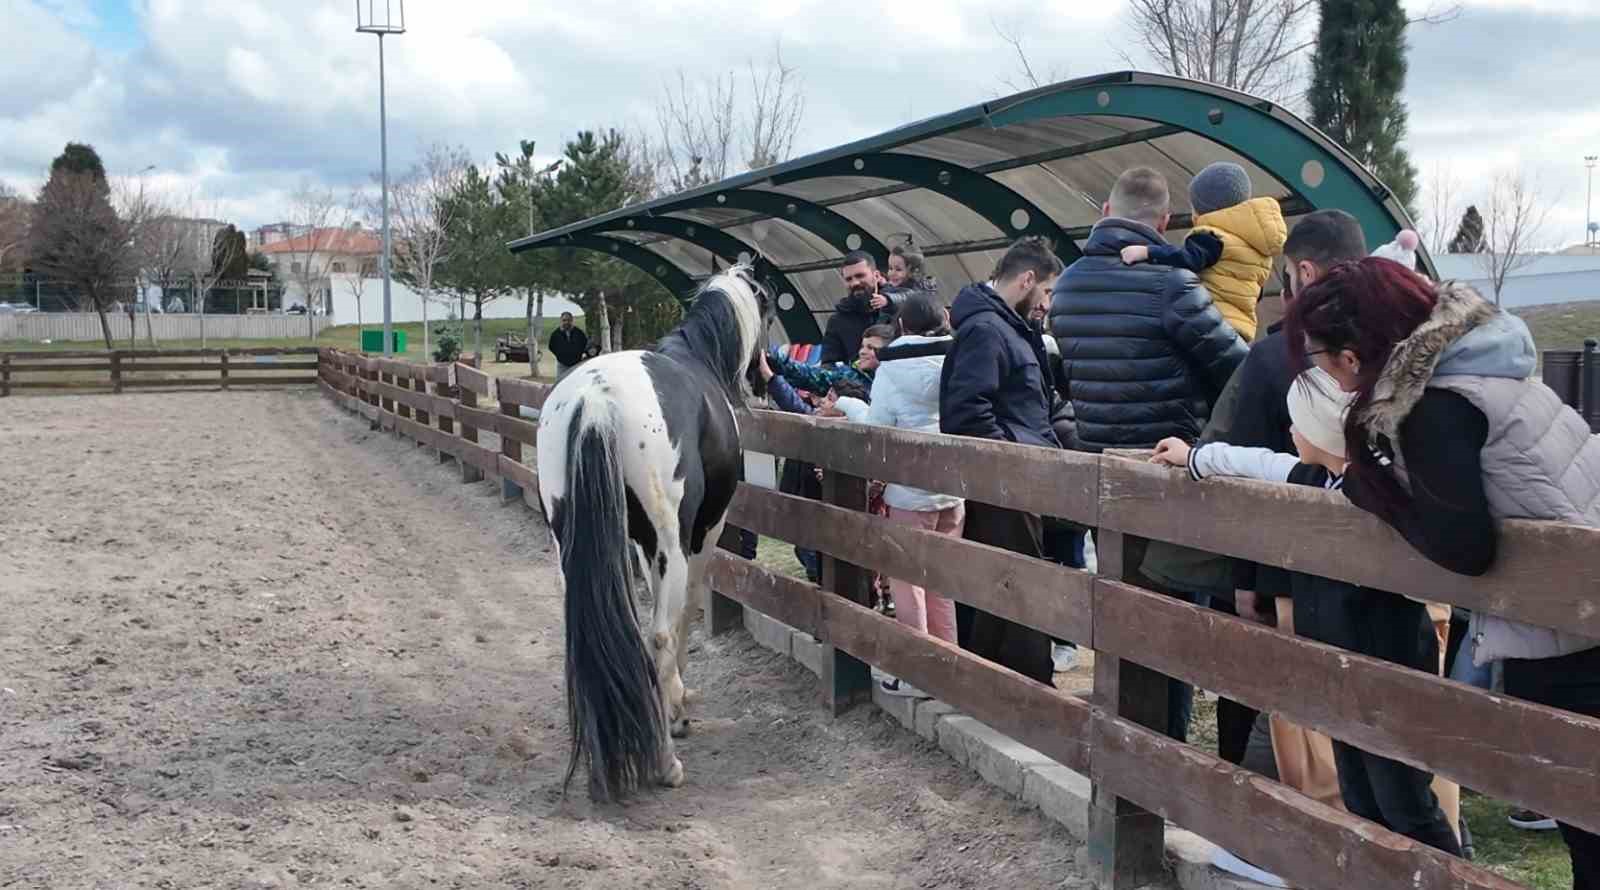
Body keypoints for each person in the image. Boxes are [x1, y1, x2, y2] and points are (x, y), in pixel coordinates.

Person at [1288, 257, 1600, 882]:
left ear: (1353, 355)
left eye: (1321, 358)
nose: (1332, 379)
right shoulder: (1495, 370)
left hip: (1568, 638)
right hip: (1576, 613)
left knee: (1589, 827)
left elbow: (1465, 547)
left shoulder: (1438, 407)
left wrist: (1367, 489)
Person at [1151, 369, 1463, 857]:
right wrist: (1195, 457)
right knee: (1360, 794)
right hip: (1338, 664)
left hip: (1387, 667)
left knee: (1404, 800)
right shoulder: (1316, 476)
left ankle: (1448, 873)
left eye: (1298, 424)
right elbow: (1262, 463)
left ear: (1318, 432)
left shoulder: (1375, 492)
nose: (1291, 432)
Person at [1050, 166, 1248, 452]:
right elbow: (1239, 368)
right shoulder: (1172, 284)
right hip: (1169, 460)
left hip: (1095, 458)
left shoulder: (1064, 285)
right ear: (1164, 222)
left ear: (1106, 210)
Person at [940, 235, 1064, 684]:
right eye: (1047, 291)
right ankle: (1025, 688)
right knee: (1013, 591)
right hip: (1004, 484)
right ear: (1028, 280)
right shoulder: (988, 330)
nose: (1048, 304)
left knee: (1007, 591)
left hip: (1017, 480)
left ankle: (1003, 685)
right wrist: (1009, 467)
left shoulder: (1005, 328)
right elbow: (968, 411)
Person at [865, 293, 962, 695]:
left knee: (908, 583)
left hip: (908, 492)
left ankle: (919, 673)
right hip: (954, 488)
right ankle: (949, 665)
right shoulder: (954, 359)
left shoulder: (891, 367)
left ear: (901, 326)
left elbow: (879, 425)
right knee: (943, 581)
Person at [1118, 161, 1286, 342]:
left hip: (1208, 322)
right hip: (1240, 329)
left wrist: (1148, 252)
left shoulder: (1211, 236)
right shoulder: (1256, 246)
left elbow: (1188, 259)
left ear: (1205, 209)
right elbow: (1256, 292)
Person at [768, 324, 888, 396]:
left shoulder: (897, 383)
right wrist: (775, 358)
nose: (862, 352)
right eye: (862, 347)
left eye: (871, 348)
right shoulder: (849, 376)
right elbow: (810, 375)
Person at [821, 251, 895, 365]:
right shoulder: (837, 321)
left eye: (860, 276)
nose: (855, 283)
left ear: (876, 276)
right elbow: (829, 364)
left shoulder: (897, 309)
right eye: (848, 279)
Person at [548, 312, 588, 380]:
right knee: (560, 384)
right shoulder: (555, 334)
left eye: (569, 320)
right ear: (561, 321)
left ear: (572, 321)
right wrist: (560, 355)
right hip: (562, 365)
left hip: (576, 364)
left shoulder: (579, 333)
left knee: (576, 383)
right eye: (564, 320)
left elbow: (585, 344)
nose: (566, 322)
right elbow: (551, 346)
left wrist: (579, 355)